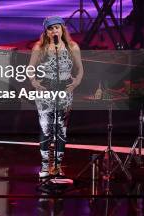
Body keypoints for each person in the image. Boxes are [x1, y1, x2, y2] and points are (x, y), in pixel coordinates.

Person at [28, 16, 83, 178]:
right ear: (46, 32)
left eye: (57, 27)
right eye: (50, 28)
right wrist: (34, 81)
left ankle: (58, 166)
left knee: (61, 129)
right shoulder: (40, 47)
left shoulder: (72, 47)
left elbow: (80, 69)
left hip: (64, 91)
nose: (54, 31)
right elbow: (30, 68)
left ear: (62, 29)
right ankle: (45, 166)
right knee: (46, 128)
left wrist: (76, 83)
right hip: (45, 90)